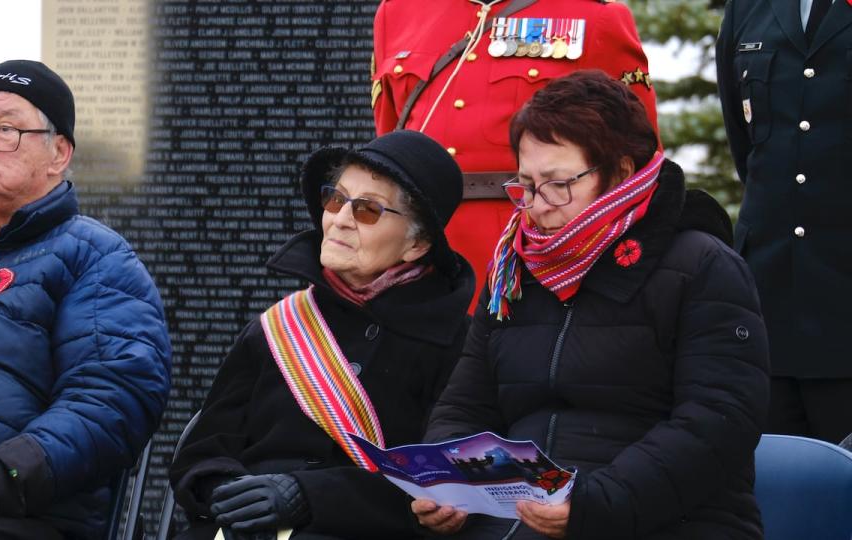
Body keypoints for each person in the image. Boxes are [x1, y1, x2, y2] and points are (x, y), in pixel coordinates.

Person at [412, 71, 770, 539]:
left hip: (665, 520)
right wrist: (448, 482)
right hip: (516, 518)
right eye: (525, 184)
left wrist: (597, 503)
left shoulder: (702, 265)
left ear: (621, 172)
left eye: (558, 183)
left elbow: (717, 422)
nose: (537, 206)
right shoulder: (515, 269)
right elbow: (464, 406)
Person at [0, 60, 172, 539]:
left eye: (6, 128)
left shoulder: (98, 261)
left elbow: (108, 402)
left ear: (59, 153)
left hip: (13, 514)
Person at [169, 130, 474, 540]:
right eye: (336, 198)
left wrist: (308, 495)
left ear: (416, 244)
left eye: (367, 209)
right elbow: (202, 454)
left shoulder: (456, 343)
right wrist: (231, 495)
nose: (340, 219)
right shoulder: (278, 326)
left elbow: (440, 487)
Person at [373, 0, 659, 311]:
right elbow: (389, 149)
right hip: (416, 253)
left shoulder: (595, 16)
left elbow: (637, 165)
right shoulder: (398, 12)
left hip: (528, 255)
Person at [716, 0, 852, 444]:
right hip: (771, 294)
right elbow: (747, 142)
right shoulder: (748, 9)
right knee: (776, 484)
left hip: (843, 295)